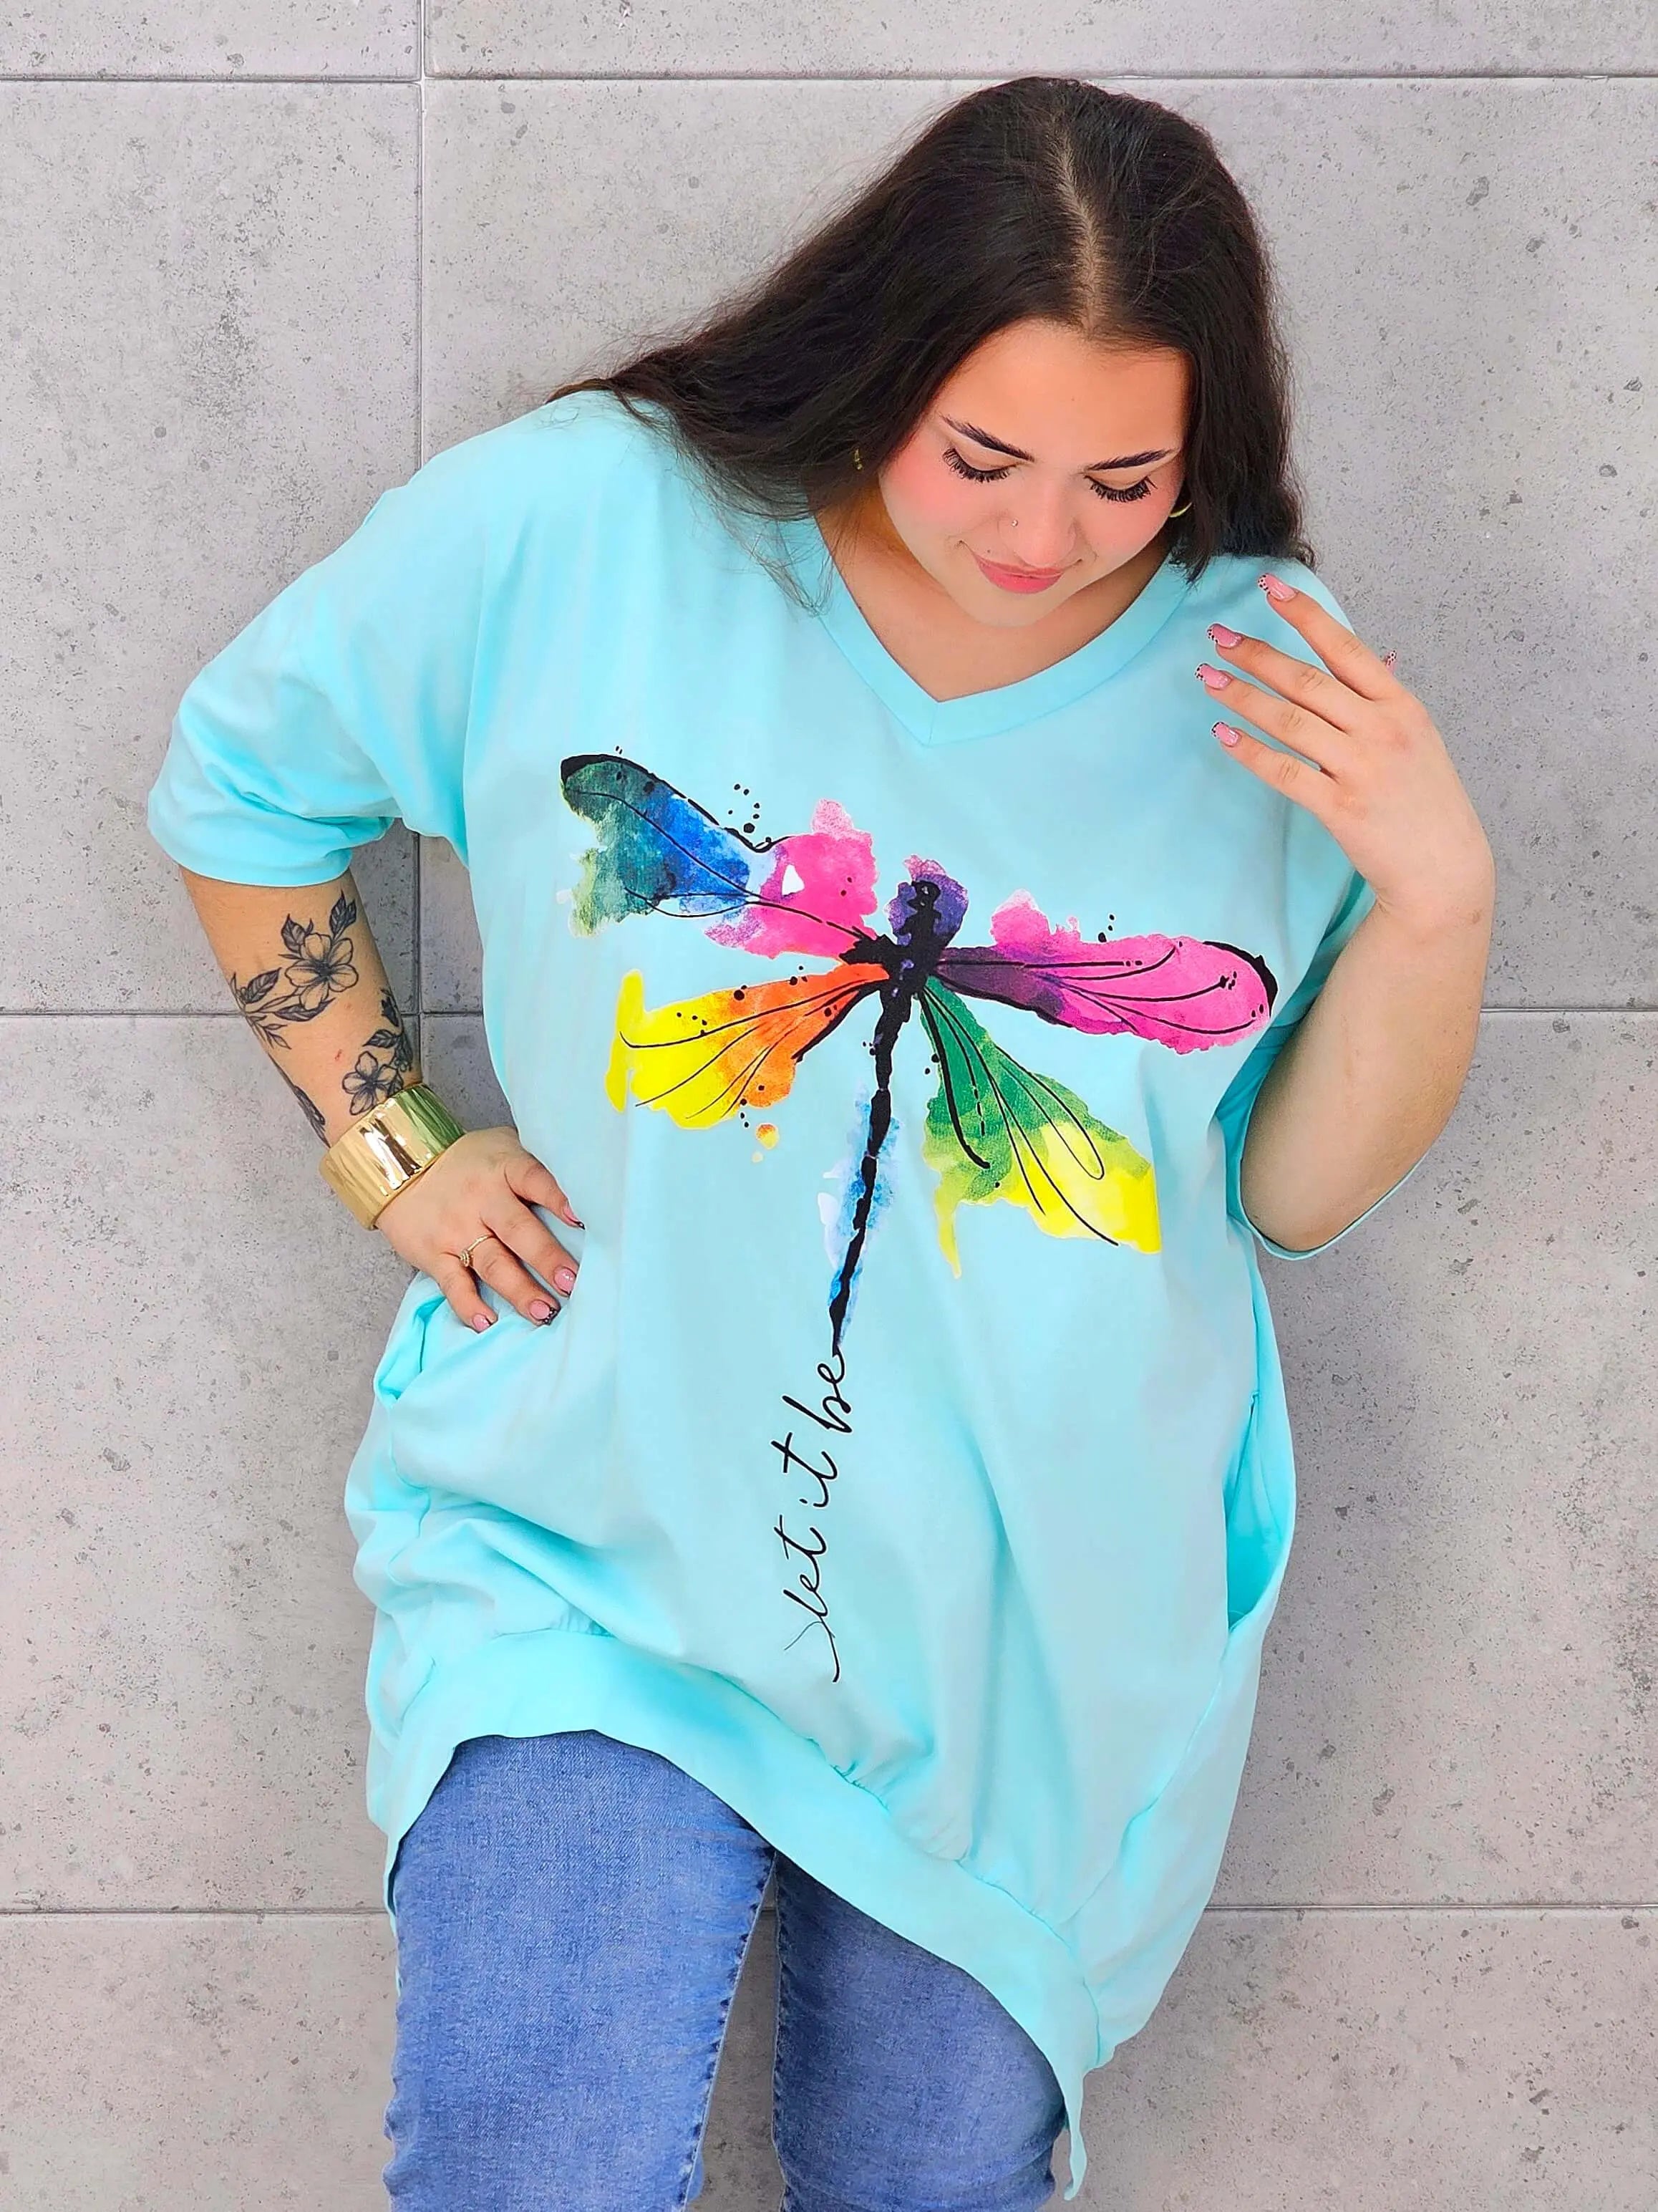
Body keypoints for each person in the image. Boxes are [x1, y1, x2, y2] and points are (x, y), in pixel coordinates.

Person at [145, 74, 1493, 2212]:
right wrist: (391, 1144)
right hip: (591, 1532)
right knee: (526, 2159)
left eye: (1124, 479)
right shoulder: (588, 523)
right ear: (879, 364)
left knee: (923, 2185)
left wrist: (1436, 895)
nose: (1039, 538)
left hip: (1029, 1637)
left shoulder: (1264, 684)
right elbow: (243, 789)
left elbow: (1290, 1195)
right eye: (980, 456)